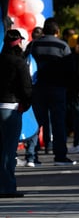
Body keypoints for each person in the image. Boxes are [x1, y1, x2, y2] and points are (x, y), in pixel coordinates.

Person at [30, 17, 76, 166]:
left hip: (38, 89)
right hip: (58, 89)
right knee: (58, 123)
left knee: (37, 123)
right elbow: (71, 70)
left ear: (43, 30)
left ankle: (32, 156)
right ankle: (60, 156)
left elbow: (26, 65)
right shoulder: (63, 46)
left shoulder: (33, 45)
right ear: (57, 31)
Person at [0, 29, 32, 197]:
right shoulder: (19, 62)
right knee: (9, 149)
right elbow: (27, 88)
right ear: (19, 43)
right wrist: (26, 104)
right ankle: (7, 188)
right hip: (11, 108)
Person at [22, 26, 43, 167]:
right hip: (38, 90)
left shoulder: (28, 51)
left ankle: (30, 154)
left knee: (30, 122)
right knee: (37, 123)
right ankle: (31, 155)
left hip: (27, 91)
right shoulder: (48, 48)